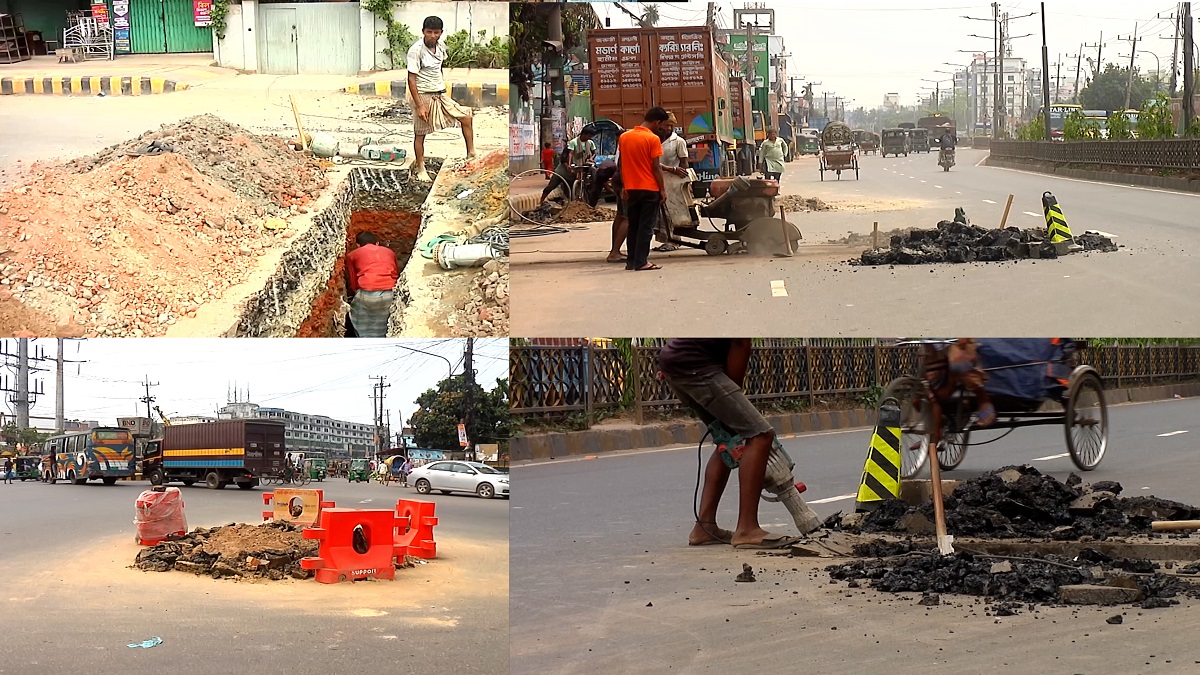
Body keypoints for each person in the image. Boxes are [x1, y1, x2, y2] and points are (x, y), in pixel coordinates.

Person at [658, 339, 804, 549]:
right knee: (761, 435)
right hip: (696, 366)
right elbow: (740, 344)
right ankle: (747, 529)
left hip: (674, 362)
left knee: (728, 436)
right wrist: (733, 395)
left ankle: (704, 527)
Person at [407, 16, 475, 182]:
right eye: (429, 32)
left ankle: (471, 154)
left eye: (436, 32)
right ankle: (420, 167)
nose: (432, 35)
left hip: (439, 93)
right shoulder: (416, 50)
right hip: (423, 95)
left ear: (441, 33)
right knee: (420, 133)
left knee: (466, 117)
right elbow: (411, 79)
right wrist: (419, 106)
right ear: (423, 32)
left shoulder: (441, 47)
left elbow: (439, 68)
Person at [618, 107, 671, 272]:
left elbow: (622, 165)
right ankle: (642, 262)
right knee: (646, 227)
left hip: (632, 188)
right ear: (657, 122)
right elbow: (656, 168)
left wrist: (625, 186)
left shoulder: (624, 137)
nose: (661, 128)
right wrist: (662, 190)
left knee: (633, 225)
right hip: (649, 189)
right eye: (661, 125)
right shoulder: (652, 139)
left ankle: (631, 261)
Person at [345, 232, 400, 338]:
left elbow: (353, 282)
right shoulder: (390, 252)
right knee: (385, 323)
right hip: (389, 293)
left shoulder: (352, 255)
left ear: (357, 245)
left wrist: (355, 295)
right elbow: (395, 274)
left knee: (360, 319)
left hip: (367, 294)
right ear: (377, 243)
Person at [653, 112, 690, 253]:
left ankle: (674, 241)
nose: (668, 128)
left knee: (671, 212)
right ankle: (665, 240)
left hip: (673, 182)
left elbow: (684, 163)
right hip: (656, 179)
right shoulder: (654, 139)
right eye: (666, 125)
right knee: (660, 214)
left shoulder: (678, 141)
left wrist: (685, 183)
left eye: (671, 125)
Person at [540, 125, 597, 203]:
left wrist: (591, 159)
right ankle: (541, 202)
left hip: (575, 171)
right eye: (589, 135)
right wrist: (568, 166)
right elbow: (565, 157)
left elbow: (594, 152)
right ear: (584, 134)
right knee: (551, 186)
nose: (589, 137)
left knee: (571, 191)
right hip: (562, 171)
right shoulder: (573, 143)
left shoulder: (590, 143)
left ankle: (573, 205)